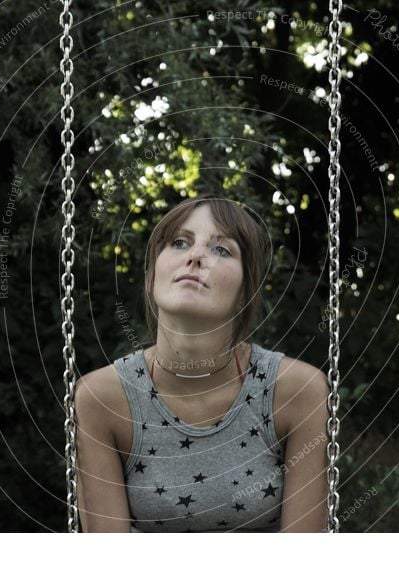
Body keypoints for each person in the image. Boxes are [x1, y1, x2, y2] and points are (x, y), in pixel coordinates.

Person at [74, 193, 331, 532]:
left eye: (221, 249)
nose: (195, 256)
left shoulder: (297, 392)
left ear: (245, 291)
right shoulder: (102, 397)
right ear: (152, 276)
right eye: (180, 243)